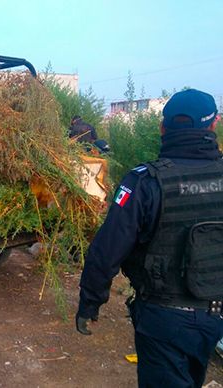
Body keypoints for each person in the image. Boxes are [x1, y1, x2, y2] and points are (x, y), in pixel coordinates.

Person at [76, 89, 223, 387]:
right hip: (215, 316)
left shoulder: (144, 182)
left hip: (163, 318)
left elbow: (108, 248)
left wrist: (90, 302)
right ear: (214, 125)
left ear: (162, 128)